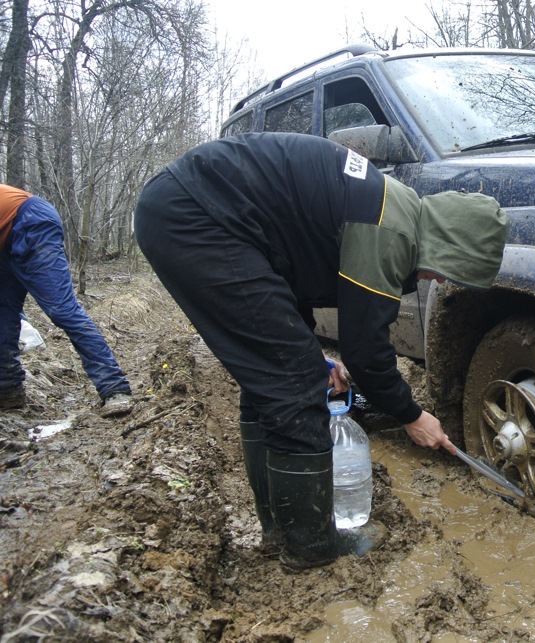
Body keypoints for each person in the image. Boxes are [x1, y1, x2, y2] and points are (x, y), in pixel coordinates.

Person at [133, 132, 508, 570]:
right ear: (449, 243)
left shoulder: (392, 207)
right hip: (201, 219)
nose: (440, 282)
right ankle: (310, 545)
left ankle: (279, 530)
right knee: (292, 387)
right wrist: (411, 415)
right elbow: (366, 350)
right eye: (450, 271)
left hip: (197, 212)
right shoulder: (389, 229)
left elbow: (289, 295)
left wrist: (313, 356)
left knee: (273, 381)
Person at [0, 184, 133, 417]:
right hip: (5, 239)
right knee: (2, 314)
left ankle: (114, 387)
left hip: (30, 221)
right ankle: (8, 390)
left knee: (61, 309)